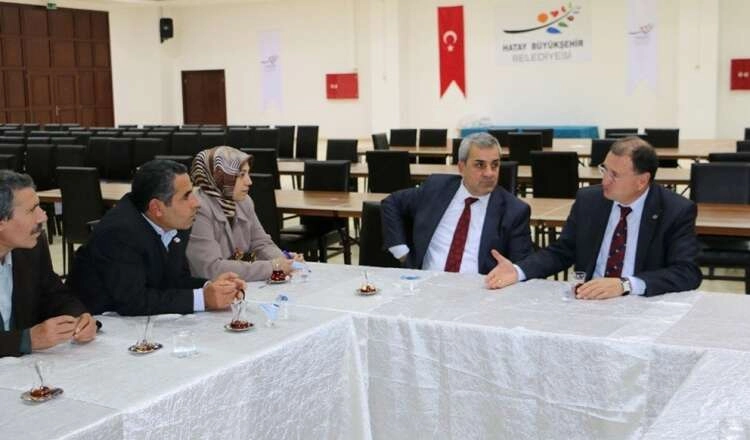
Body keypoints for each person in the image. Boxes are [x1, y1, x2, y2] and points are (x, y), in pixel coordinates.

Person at [486, 136, 702, 298]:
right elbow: (562, 251)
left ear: (642, 181)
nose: (605, 181)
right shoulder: (590, 200)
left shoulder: (675, 210)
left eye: (614, 175)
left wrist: (626, 285)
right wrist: (518, 271)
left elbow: (687, 273)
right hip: (589, 301)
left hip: (642, 305)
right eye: (604, 170)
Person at [67, 160, 245, 316]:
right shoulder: (119, 232)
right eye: (186, 196)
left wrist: (211, 287)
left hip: (140, 317)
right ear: (157, 208)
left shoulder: (176, 221)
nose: (196, 203)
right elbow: (133, 301)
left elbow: (175, 280)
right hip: (97, 322)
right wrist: (203, 299)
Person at [381, 132, 534, 274]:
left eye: (495, 165)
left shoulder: (514, 211)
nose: (489, 173)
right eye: (480, 165)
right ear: (461, 167)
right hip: (426, 283)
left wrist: (512, 272)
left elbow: (522, 265)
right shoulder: (436, 188)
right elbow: (391, 202)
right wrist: (401, 251)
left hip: (480, 289)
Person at [0, 170, 96, 357]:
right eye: (32, 210)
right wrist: (26, 340)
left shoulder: (31, 247)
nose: (42, 217)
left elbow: (55, 295)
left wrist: (78, 317)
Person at [186, 146, 300, 282]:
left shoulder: (244, 201)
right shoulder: (198, 208)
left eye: (248, 174)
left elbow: (261, 243)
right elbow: (211, 269)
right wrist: (272, 267)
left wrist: (283, 260)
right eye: (241, 175)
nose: (249, 181)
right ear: (220, 176)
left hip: (237, 284)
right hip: (206, 289)